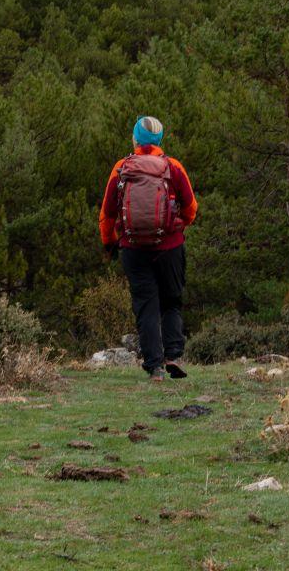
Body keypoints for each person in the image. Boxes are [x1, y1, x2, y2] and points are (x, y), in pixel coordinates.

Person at [98, 116, 198, 382]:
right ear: (159, 140)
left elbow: (107, 213)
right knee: (171, 301)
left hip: (133, 247)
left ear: (135, 139)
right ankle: (173, 356)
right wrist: (178, 227)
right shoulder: (173, 167)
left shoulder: (121, 168)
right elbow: (191, 208)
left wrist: (108, 242)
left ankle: (154, 367)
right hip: (170, 246)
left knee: (146, 305)